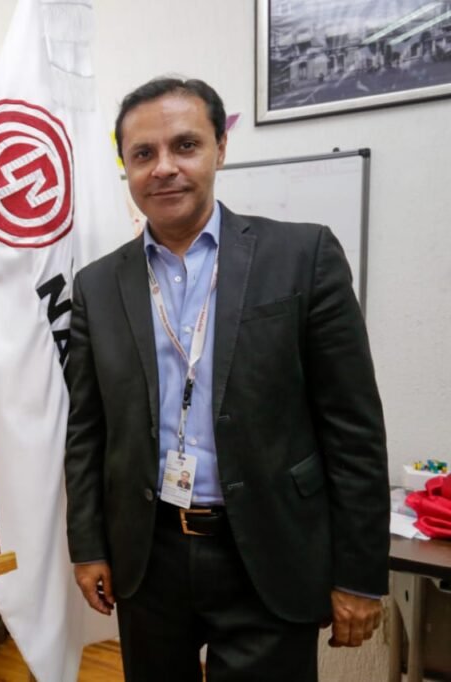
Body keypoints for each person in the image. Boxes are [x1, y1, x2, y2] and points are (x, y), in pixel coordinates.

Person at [64, 77, 389, 681]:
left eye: (185, 145)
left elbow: (353, 429)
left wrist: (359, 574)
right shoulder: (98, 286)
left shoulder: (303, 256)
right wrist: (87, 546)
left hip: (269, 547)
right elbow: (87, 430)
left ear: (220, 148)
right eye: (143, 153)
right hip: (149, 554)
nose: (164, 167)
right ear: (126, 167)